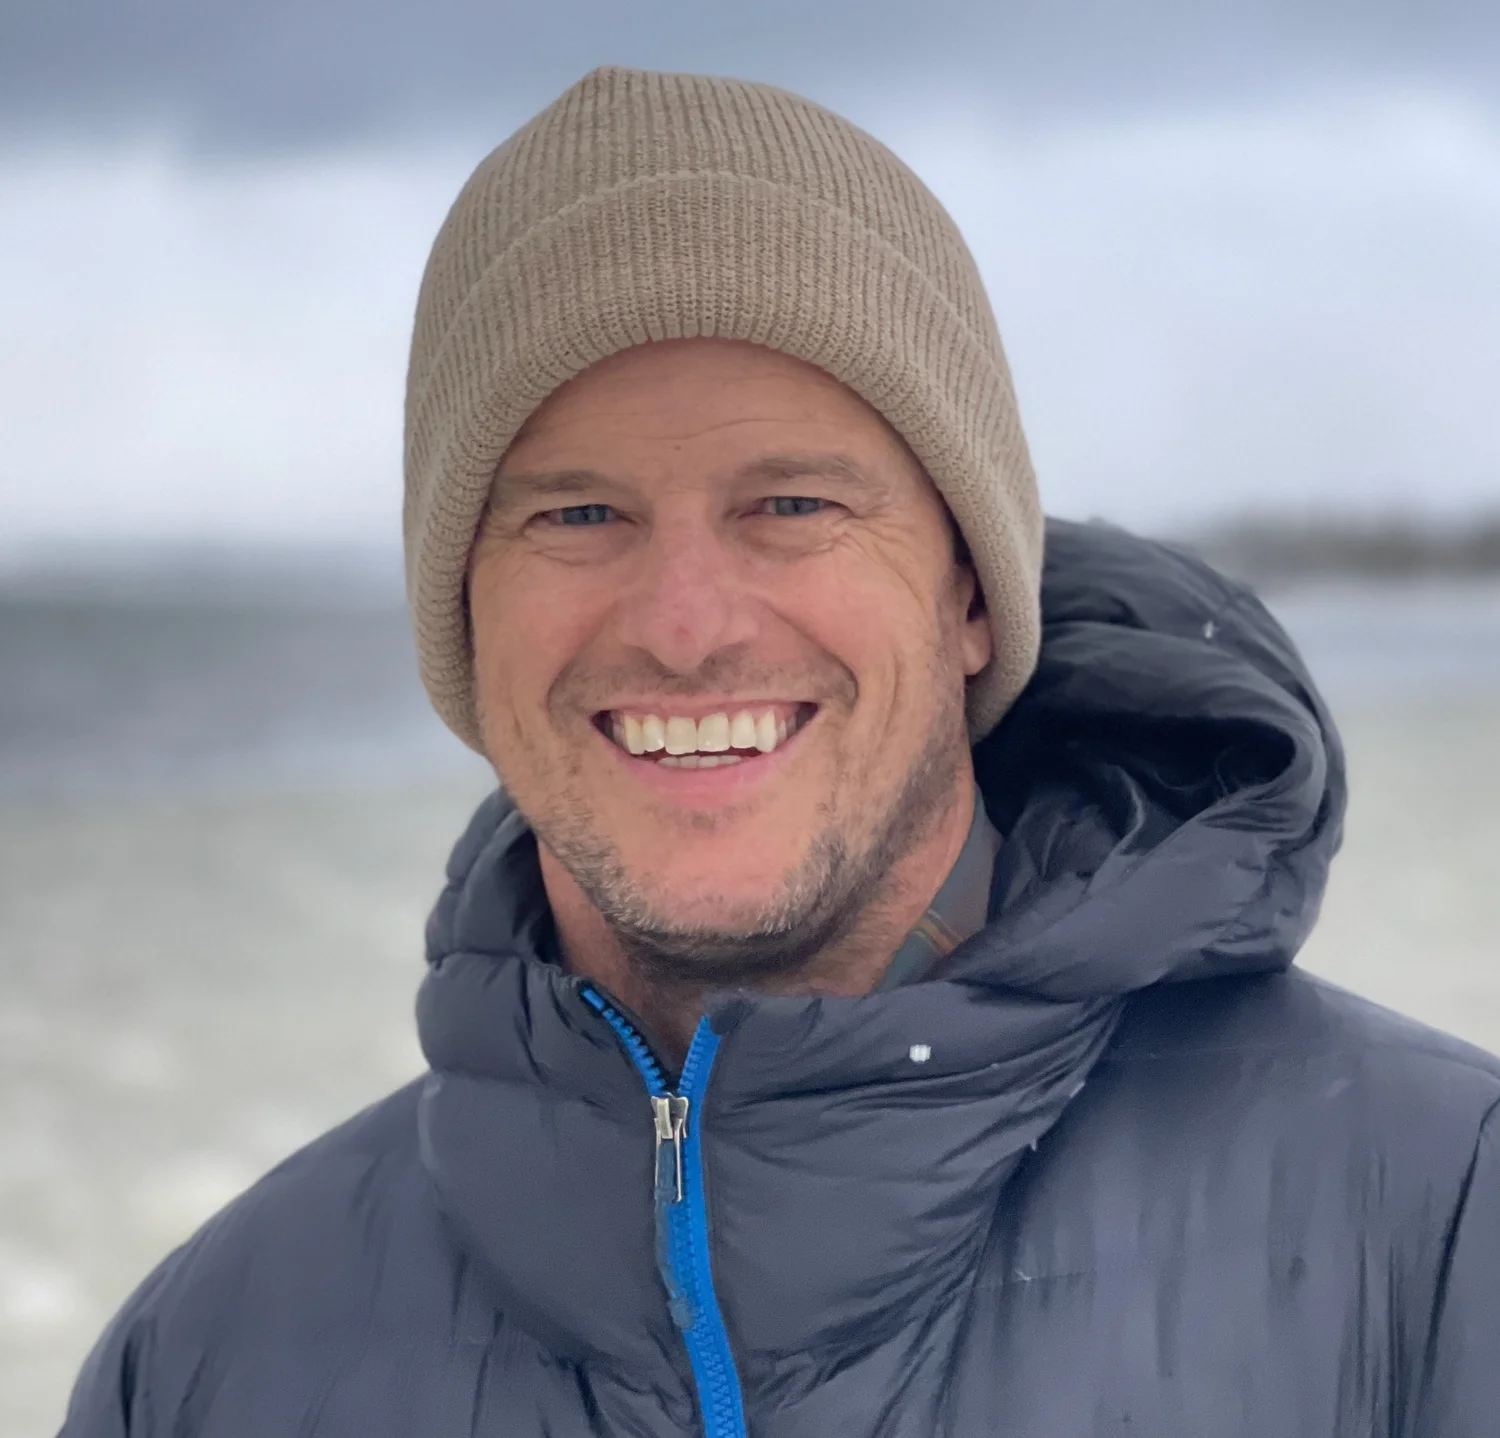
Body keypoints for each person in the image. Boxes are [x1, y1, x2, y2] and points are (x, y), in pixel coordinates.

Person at [61, 66, 1498, 1438]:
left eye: (794, 504)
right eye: (577, 514)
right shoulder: (209, 1362)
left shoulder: (1438, 1218)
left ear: (972, 595)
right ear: (466, 622)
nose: (687, 627)